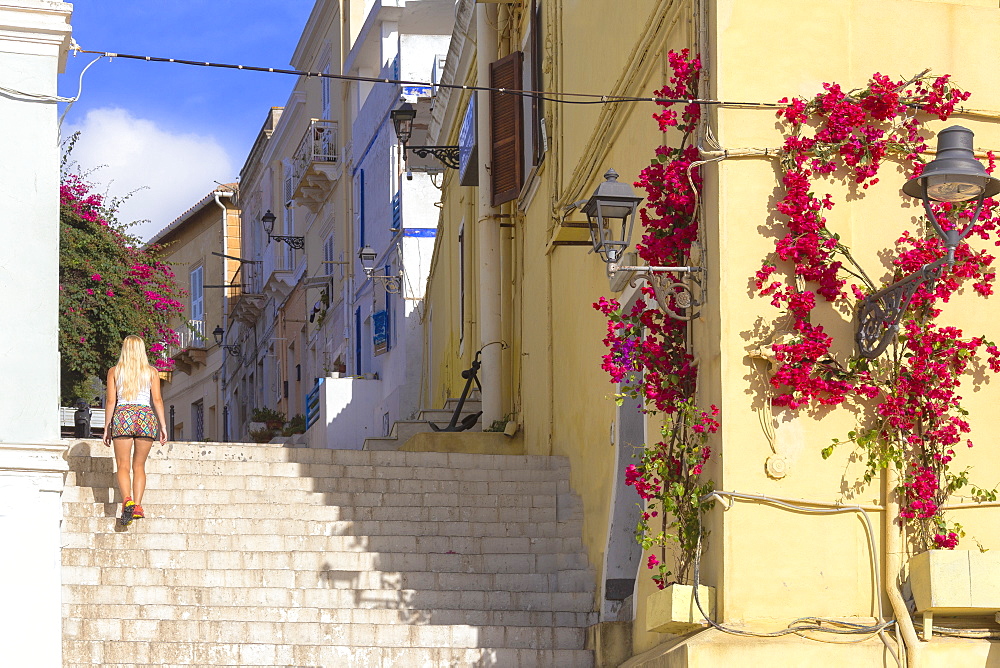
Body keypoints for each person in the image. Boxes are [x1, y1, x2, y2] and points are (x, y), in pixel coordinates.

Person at [102, 335, 167, 525]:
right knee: (139, 466)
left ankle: (127, 500)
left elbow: (111, 401)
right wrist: (162, 425)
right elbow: (157, 400)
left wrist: (107, 427)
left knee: (123, 465)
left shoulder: (114, 371)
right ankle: (137, 506)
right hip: (145, 416)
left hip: (123, 415)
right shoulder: (152, 372)